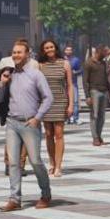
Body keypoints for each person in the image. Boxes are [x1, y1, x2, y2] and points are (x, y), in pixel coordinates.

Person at [0, 39, 53, 212]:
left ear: (27, 54)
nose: (16, 55)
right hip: (12, 123)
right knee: (13, 163)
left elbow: (48, 98)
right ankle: (15, 199)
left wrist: (38, 117)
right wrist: (3, 83)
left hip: (30, 123)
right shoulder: (8, 74)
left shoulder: (36, 74)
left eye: (19, 52)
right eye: (13, 52)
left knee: (35, 161)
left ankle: (46, 193)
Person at [36, 39, 74, 178]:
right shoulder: (40, 65)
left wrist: (71, 105)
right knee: (48, 134)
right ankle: (51, 162)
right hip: (45, 103)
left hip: (60, 101)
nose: (49, 49)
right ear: (43, 50)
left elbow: (70, 86)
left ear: (55, 48)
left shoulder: (64, 64)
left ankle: (58, 166)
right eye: (46, 48)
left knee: (59, 134)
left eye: (51, 47)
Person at [82, 45, 110, 146]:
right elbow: (85, 80)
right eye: (104, 53)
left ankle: (99, 135)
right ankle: (95, 137)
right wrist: (87, 96)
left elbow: (106, 77)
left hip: (104, 91)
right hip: (94, 91)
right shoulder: (89, 63)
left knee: (102, 116)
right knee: (94, 115)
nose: (106, 55)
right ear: (99, 52)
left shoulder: (103, 63)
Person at [64, 45, 83, 125]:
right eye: (67, 50)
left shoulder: (76, 60)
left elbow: (81, 70)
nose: (68, 51)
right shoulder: (62, 60)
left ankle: (76, 118)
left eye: (70, 50)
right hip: (64, 84)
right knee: (65, 102)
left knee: (75, 101)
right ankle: (67, 118)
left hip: (73, 83)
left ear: (72, 51)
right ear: (64, 51)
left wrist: (76, 72)